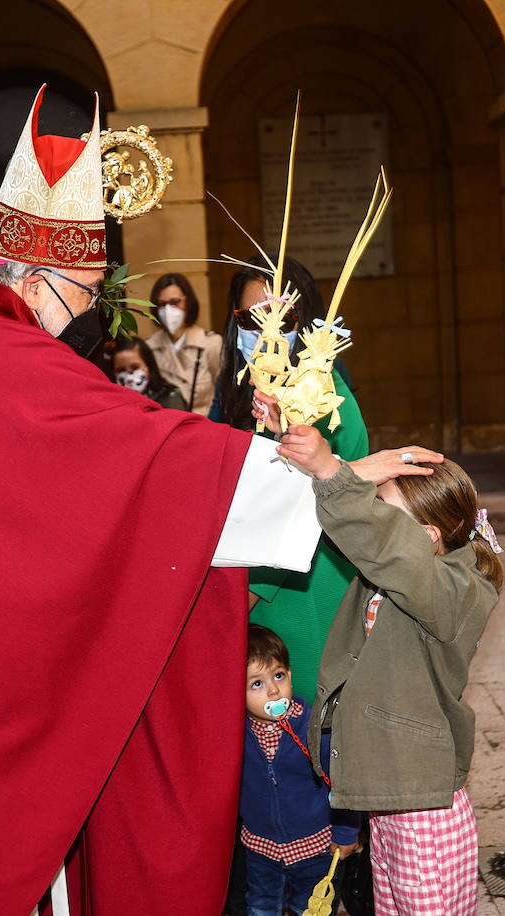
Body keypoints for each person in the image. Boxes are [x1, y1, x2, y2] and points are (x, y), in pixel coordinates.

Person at [0, 84, 444, 916]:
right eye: (83, 294)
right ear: (39, 277)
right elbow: (136, 459)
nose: (83, 315)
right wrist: (333, 477)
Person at [276, 422, 504, 916]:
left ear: (426, 536)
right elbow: (355, 534)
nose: (371, 519)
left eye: (384, 512)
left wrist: (331, 470)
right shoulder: (393, 572)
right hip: (390, 794)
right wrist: (294, 441)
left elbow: (378, 541)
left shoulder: (452, 590)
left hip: (424, 809)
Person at [216, 259, 370, 702]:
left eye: (280, 317)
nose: (266, 332)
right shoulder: (242, 394)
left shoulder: (323, 395)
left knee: (309, 732)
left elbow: (302, 505)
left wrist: (233, 606)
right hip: (260, 592)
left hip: (305, 591)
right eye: (251, 318)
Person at [240, 623, 359, 916]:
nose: (272, 689)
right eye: (256, 683)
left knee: (313, 908)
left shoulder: (312, 728)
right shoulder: (236, 735)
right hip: (261, 847)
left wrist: (345, 832)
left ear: (290, 675)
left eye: (278, 676)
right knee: (259, 907)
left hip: (315, 846)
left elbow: (343, 781)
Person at [144, 271, 222, 416]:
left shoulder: (210, 343)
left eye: (175, 302)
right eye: (162, 304)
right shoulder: (149, 347)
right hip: (167, 430)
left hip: (205, 428)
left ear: (188, 302)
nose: (168, 310)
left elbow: (223, 394)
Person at [108, 336, 187, 410]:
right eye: (121, 370)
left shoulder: (171, 398)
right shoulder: (113, 405)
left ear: (148, 366)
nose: (129, 376)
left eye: (135, 367)